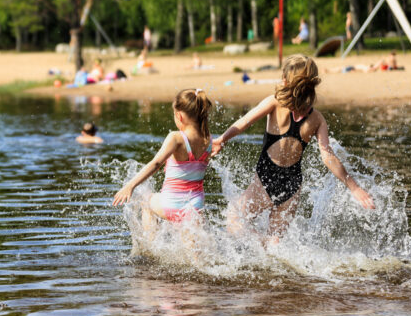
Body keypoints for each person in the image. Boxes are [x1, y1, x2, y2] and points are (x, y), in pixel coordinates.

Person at [212, 55, 374, 241]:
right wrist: (354, 188)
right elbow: (328, 157)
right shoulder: (317, 119)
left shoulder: (274, 102)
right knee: (276, 244)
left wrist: (222, 139)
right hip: (292, 187)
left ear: (285, 81)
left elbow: (245, 121)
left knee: (233, 220)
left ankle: (260, 242)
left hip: (266, 179)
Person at [113, 88, 213, 222]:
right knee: (190, 241)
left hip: (171, 203)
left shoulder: (176, 138)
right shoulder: (209, 139)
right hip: (196, 206)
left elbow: (156, 163)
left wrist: (130, 186)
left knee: (145, 200)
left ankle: (149, 242)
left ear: (179, 116)